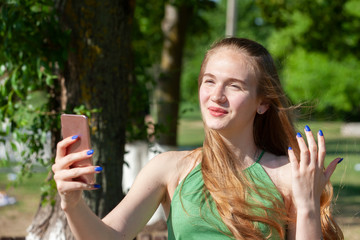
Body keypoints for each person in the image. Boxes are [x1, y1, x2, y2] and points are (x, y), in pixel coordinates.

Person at [52, 37, 344, 240]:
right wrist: (72, 203)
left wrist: (306, 205)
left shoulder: (289, 174)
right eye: (209, 81)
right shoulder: (169, 169)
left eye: (234, 86)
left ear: (262, 103)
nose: (217, 96)